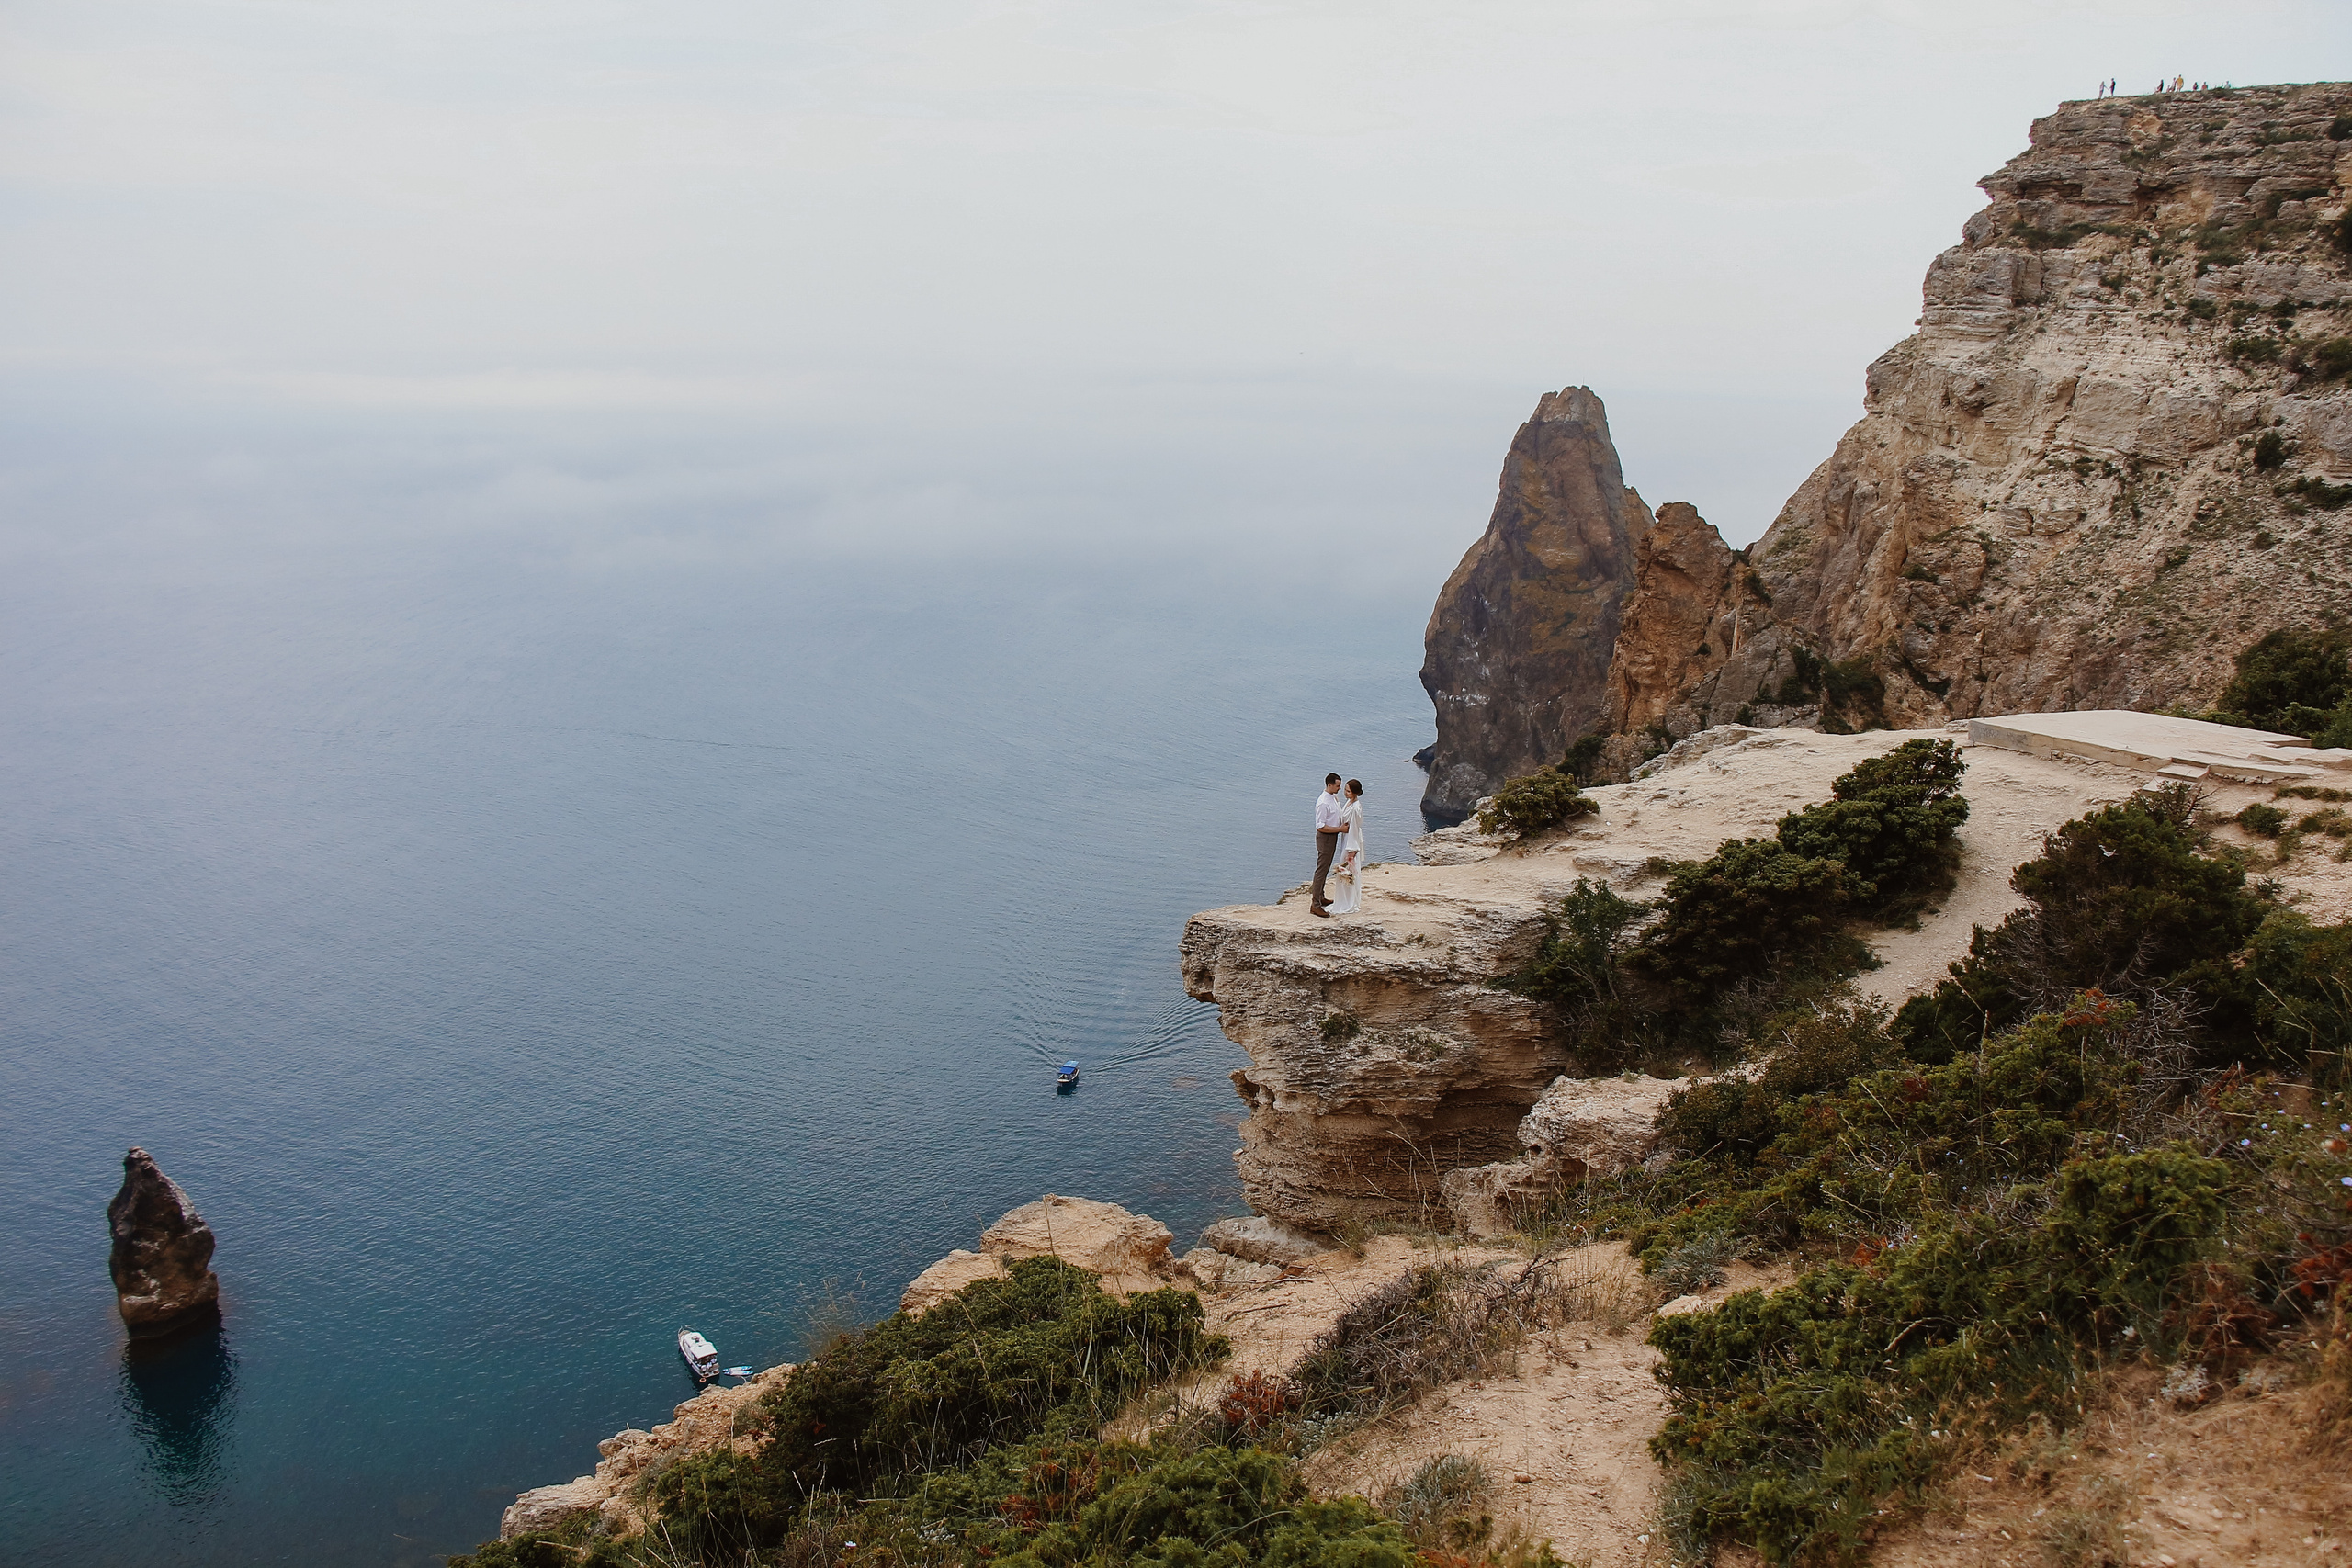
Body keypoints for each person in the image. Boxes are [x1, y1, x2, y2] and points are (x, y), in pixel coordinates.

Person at [1327, 780, 1366, 916]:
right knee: (1345, 871)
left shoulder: (1355, 808)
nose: (1345, 793)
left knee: (1347, 870)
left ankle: (1348, 902)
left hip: (1350, 841)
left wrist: (1352, 850)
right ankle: (1344, 899)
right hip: (1346, 838)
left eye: (1348, 791)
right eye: (1345, 790)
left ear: (1355, 793)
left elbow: (1354, 828)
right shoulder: (1349, 803)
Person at [1310, 773, 1345, 917]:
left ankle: (1321, 896)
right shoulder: (1323, 803)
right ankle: (1315, 904)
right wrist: (1340, 829)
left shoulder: (1333, 798)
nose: (1339, 788)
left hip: (1332, 836)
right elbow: (1320, 826)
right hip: (1326, 838)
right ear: (1330, 785)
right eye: (1337, 786)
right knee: (1322, 869)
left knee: (1325, 868)